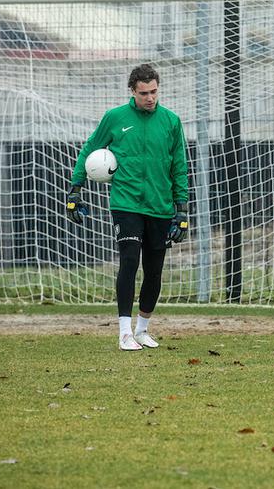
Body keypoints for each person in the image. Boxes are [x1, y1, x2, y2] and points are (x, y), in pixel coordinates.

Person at [67, 64, 189, 351]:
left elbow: (179, 168)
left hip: (160, 206)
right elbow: (89, 149)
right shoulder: (115, 117)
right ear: (132, 91)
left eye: (154, 92)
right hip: (126, 203)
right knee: (129, 261)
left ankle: (143, 329)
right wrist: (75, 190)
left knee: (154, 271)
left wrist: (181, 211)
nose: (150, 98)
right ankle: (124, 333)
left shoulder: (171, 121)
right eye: (144, 93)